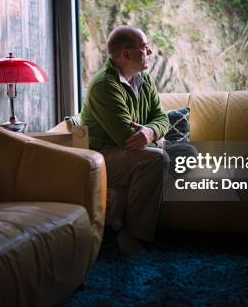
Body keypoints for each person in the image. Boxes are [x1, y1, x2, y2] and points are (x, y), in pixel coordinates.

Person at [80, 25, 197, 253]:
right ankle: (133, 234)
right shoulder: (105, 85)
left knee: (187, 154)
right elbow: (127, 138)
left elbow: (161, 118)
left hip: (133, 153)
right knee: (155, 159)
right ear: (126, 54)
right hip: (102, 156)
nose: (150, 52)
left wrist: (151, 132)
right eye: (144, 47)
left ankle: (120, 205)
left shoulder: (143, 78)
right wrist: (155, 138)